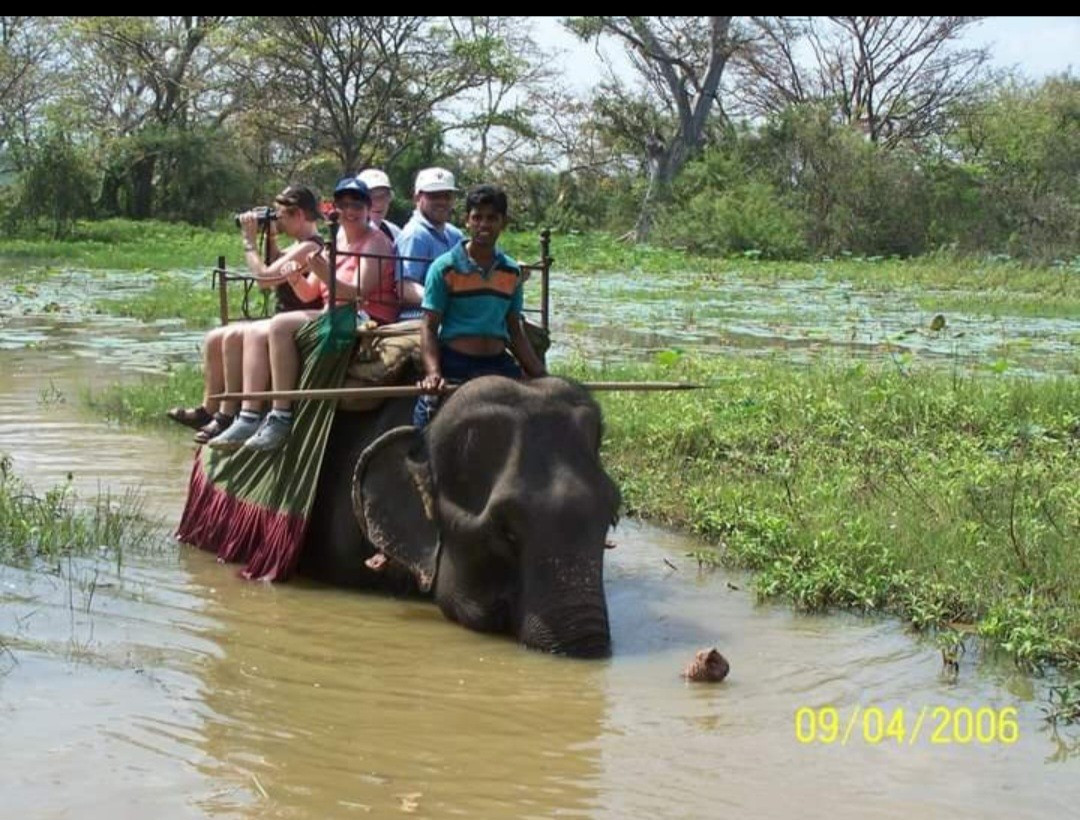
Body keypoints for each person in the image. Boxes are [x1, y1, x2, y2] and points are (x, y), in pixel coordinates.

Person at [207, 177, 397, 453]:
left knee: (280, 325)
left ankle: (281, 415)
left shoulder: (375, 242)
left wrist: (323, 272)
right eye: (343, 204)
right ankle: (246, 415)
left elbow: (357, 291)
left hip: (363, 313)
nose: (350, 210)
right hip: (334, 311)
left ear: (368, 208)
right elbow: (311, 294)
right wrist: (295, 278)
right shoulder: (336, 240)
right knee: (258, 330)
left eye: (356, 204)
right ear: (334, 209)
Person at [167, 185, 326, 443]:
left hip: (298, 316)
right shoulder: (298, 246)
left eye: (281, 216)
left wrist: (249, 243)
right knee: (216, 337)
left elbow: (265, 279)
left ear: (298, 215)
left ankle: (229, 414)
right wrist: (271, 238)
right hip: (284, 314)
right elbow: (276, 264)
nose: (279, 221)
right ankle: (209, 408)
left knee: (234, 337)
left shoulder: (311, 246)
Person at [414, 184, 546, 427]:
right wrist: (433, 373)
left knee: (537, 418)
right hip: (456, 362)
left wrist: (541, 375)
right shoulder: (444, 268)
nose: (484, 225)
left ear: (503, 223)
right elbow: (429, 327)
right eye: (477, 217)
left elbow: (514, 329)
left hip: (497, 362)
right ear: (467, 221)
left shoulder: (511, 272)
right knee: (426, 417)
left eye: (492, 218)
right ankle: (421, 459)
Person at [394, 167, 464, 320]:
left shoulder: (455, 234)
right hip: (419, 315)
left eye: (447, 196)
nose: (442, 202)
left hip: (453, 315)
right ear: (417, 198)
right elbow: (405, 288)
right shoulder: (414, 235)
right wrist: (444, 302)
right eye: (434, 196)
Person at [356, 168, 401, 244]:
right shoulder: (349, 234)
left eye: (383, 196)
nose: (379, 203)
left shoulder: (395, 232)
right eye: (371, 197)